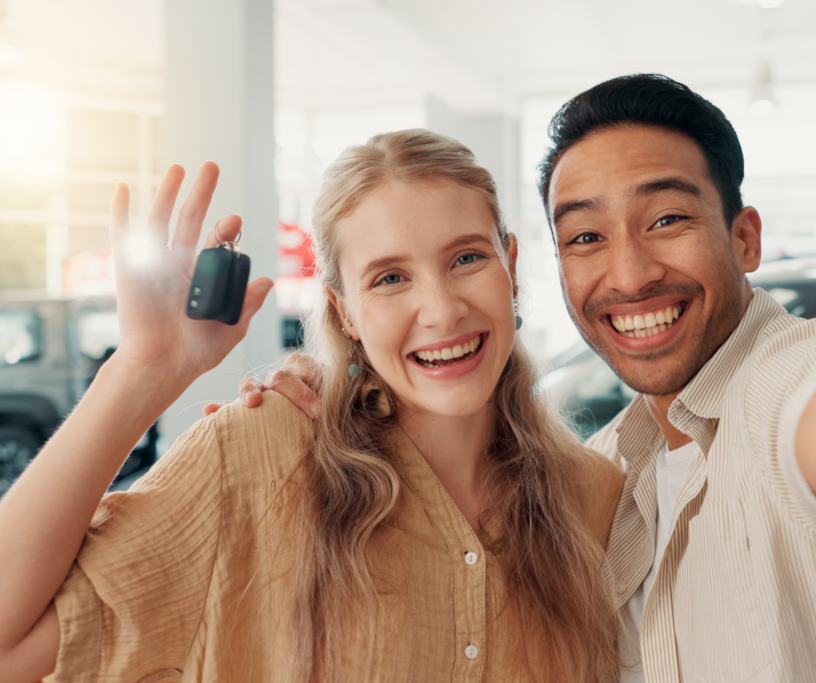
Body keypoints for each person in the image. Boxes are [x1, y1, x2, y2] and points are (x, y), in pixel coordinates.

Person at [242, 75, 816, 683]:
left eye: (667, 220)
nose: (629, 273)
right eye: (586, 235)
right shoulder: (602, 479)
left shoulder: (799, 383)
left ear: (745, 237)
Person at [0, 130, 626, 683]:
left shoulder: (593, 495)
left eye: (466, 258)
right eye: (389, 278)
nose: (441, 310)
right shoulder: (262, 453)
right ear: (343, 311)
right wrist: (141, 371)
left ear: (511, 267)